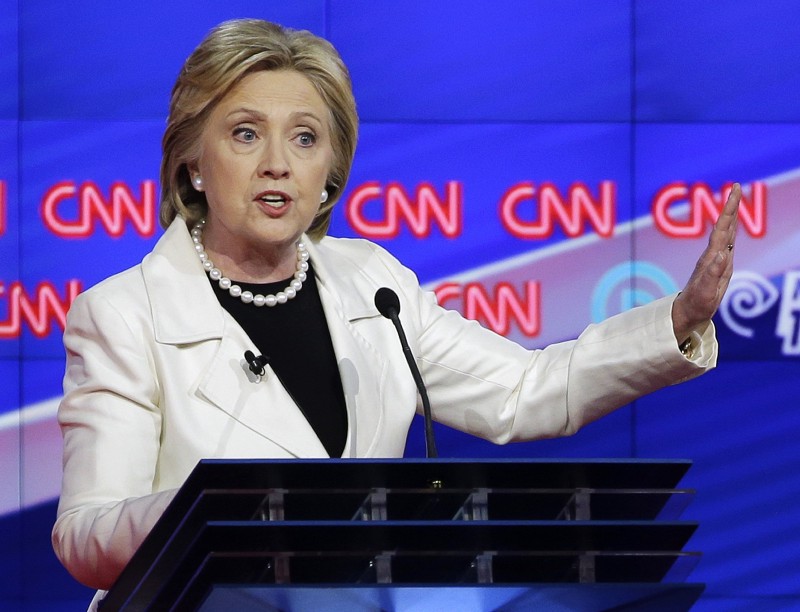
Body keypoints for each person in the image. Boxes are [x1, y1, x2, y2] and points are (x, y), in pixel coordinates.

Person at [51, 18, 740, 605]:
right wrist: (212, 513)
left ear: (330, 175)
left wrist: (678, 321)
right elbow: (86, 535)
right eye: (244, 133)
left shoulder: (374, 287)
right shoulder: (124, 313)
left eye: (304, 138)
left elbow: (530, 392)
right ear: (194, 163)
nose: (276, 165)